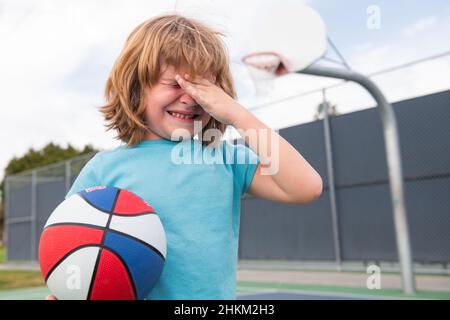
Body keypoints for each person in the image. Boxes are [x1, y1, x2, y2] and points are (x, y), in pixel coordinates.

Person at [47, 14, 322, 300]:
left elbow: (306, 186)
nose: (190, 98)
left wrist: (238, 114)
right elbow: (67, 242)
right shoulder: (104, 168)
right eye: (176, 84)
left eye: (203, 87)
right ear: (137, 87)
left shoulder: (225, 158)